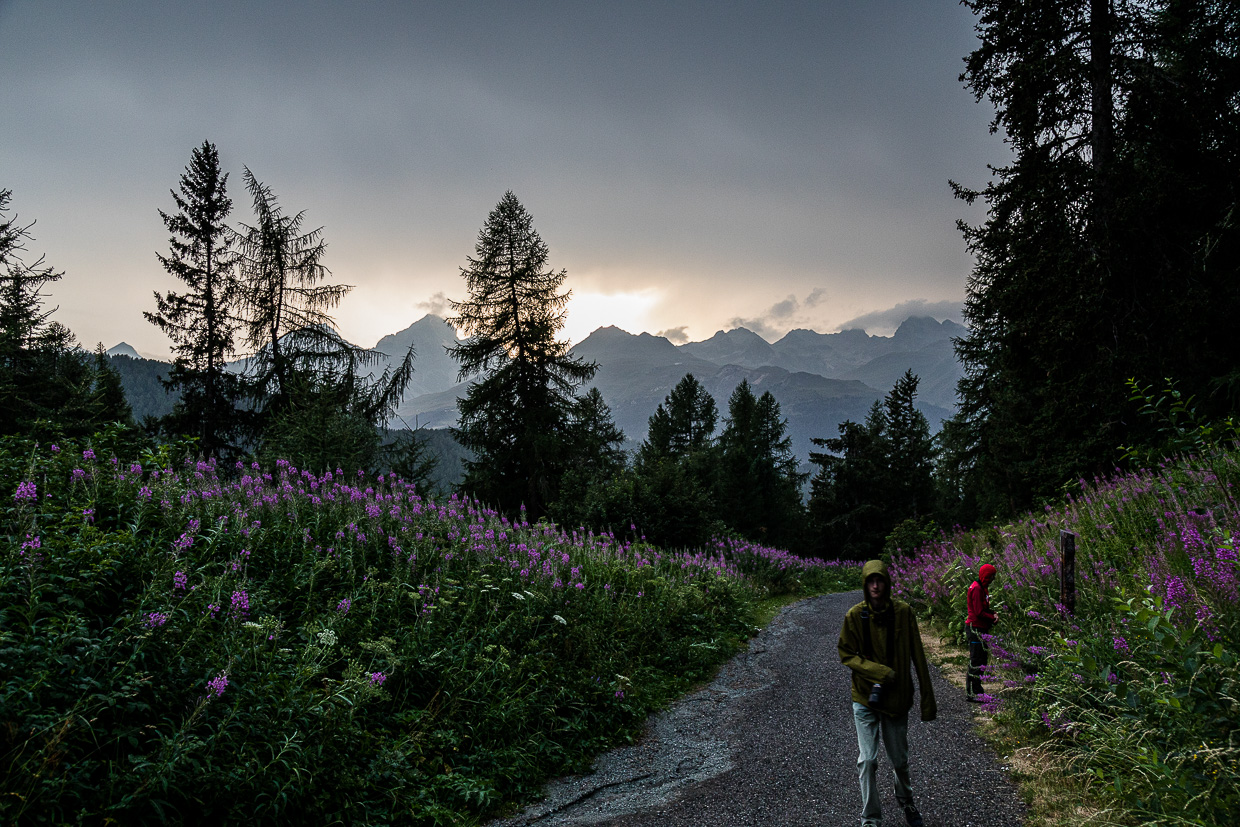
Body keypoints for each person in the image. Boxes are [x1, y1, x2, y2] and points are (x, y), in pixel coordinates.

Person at [839, 559, 936, 827]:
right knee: (867, 761)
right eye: (870, 581)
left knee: (899, 760)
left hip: (896, 698)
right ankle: (870, 819)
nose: (875, 586)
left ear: (887, 583)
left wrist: (928, 701)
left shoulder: (904, 613)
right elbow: (845, 653)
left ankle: (906, 799)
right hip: (864, 696)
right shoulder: (854, 616)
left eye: (879, 580)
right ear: (864, 584)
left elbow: (918, 656)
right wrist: (879, 672)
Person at [965, 563, 999, 702]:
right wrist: (992, 617)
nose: (993, 579)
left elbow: (983, 608)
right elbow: (979, 612)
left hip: (980, 628)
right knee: (976, 660)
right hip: (975, 629)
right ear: (986, 576)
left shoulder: (982, 588)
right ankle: (973, 693)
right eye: (991, 576)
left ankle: (977, 690)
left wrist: (993, 613)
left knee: (981, 660)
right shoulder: (977, 588)